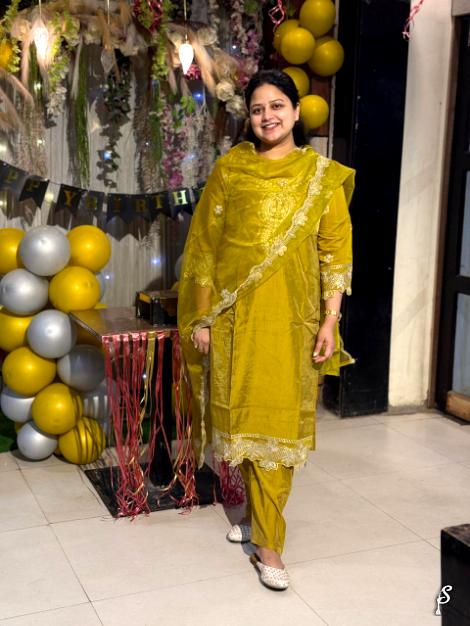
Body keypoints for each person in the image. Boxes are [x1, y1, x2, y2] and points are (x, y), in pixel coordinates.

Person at [177, 69, 355, 591]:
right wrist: (204, 316)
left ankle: (269, 544)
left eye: (277, 105)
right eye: (257, 109)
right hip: (234, 320)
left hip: (291, 322)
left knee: (277, 429)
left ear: (297, 112)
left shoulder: (321, 177)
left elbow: (335, 254)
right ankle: (257, 517)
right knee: (244, 426)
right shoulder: (231, 169)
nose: (267, 116)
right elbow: (205, 248)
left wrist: (330, 320)